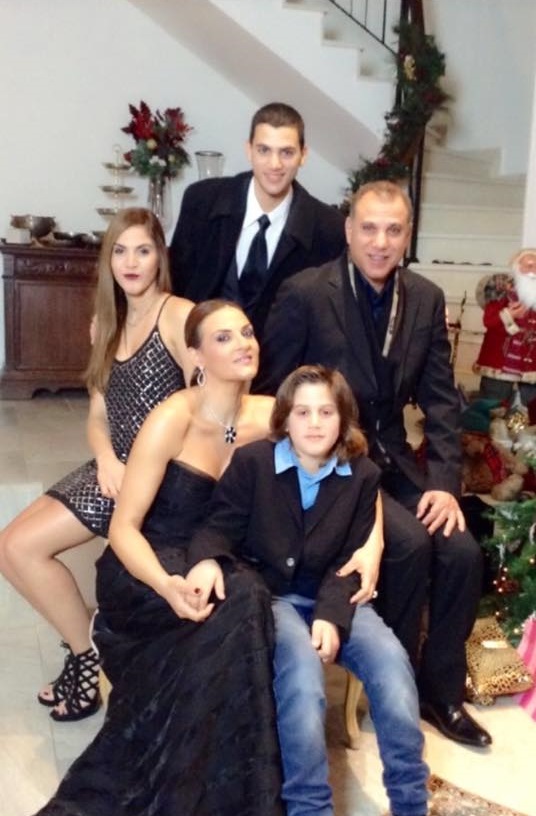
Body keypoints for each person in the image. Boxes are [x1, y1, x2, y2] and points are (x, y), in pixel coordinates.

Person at [254, 180, 492, 749]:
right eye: (369, 228)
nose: (380, 242)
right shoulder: (306, 293)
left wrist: (444, 484)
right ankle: (394, 690)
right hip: (331, 462)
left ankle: (441, 694)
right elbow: (274, 396)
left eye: (393, 230)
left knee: (462, 550)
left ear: (407, 236)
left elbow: (441, 401)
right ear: (348, 231)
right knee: (408, 545)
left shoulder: (426, 298)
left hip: (394, 458)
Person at [33, 300, 283, 816]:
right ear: (197, 356)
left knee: (244, 597)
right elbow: (123, 529)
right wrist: (167, 586)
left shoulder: (271, 414)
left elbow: (349, 453)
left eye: (246, 332)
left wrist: (370, 543)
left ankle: (217, 794)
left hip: (211, 556)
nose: (243, 344)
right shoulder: (172, 418)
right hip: (144, 569)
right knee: (238, 600)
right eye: (223, 338)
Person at [188, 364, 429, 816]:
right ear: (285, 419)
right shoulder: (254, 462)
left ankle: (410, 803)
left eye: (326, 412)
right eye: (302, 412)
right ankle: (309, 807)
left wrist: (331, 615)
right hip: (271, 594)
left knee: (393, 669)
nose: (314, 423)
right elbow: (217, 526)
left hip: (334, 592)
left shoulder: (362, 475)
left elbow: (352, 558)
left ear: (343, 419)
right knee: (303, 682)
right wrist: (205, 559)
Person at [0, 208, 193, 723]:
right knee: (9, 546)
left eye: (143, 250)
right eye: (120, 251)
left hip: (156, 478)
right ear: (108, 260)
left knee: (23, 548)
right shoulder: (106, 323)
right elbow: (97, 416)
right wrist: (106, 458)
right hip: (113, 467)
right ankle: (85, 642)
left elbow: (206, 409)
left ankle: (86, 658)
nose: (131, 262)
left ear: (159, 257)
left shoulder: (178, 316)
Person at [169, 101, 346, 341]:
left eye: (286, 152)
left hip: (281, 363)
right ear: (249, 150)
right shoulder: (201, 201)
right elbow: (174, 287)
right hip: (199, 356)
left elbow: (326, 322)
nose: (275, 164)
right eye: (264, 150)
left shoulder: (329, 228)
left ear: (303, 155)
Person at [474, 247, 536, 407]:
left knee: (532, 412)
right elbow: (489, 321)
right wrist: (510, 315)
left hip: (531, 369)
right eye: (529, 266)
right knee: (492, 407)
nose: (533, 271)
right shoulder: (501, 292)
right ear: (517, 268)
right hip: (500, 366)